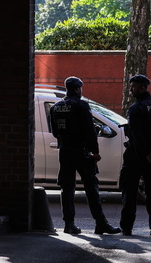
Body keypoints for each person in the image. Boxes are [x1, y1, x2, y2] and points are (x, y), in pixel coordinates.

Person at [50, 76, 120, 235]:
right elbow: (90, 130)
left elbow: (55, 132)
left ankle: (69, 224)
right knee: (91, 187)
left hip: (65, 151)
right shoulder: (81, 105)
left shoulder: (55, 107)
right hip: (82, 152)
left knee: (67, 188)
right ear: (77, 89)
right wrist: (95, 151)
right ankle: (100, 223)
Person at [118, 74, 151, 236]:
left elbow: (136, 135)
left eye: (133, 86)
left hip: (135, 156)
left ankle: (127, 227)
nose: (131, 89)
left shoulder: (135, 109)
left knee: (130, 192)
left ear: (142, 87)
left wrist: (146, 153)